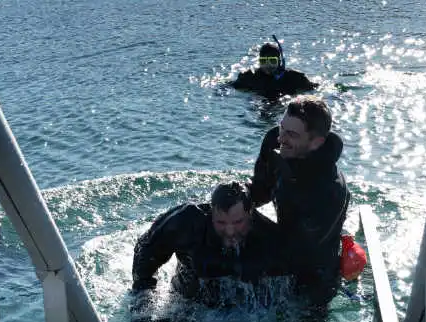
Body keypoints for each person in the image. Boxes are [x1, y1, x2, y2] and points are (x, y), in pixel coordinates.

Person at [249, 95, 351, 307]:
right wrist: (239, 198)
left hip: (315, 272)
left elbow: (299, 252)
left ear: (316, 142)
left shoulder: (329, 189)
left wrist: (291, 181)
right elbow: (260, 191)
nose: (281, 138)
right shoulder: (276, 143)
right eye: (282, 128)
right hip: (286, 243)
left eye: (292, 134)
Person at [131, 181, 283, 306]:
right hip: (185, 301)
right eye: (221, 222)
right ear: (211, 214)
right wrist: (143, 296)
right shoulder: (186, 223)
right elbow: (146, 250)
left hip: (240, 312)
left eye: (238, 222)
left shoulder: (267, 236)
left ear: (250, 216)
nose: (230, 231)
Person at [231, 36, 319, 100]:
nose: (268, 65)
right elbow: (229, 86)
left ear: (279, 62)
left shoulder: (294, 77)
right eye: (264, 61)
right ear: (259, 62)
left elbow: (315, 88)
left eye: (272, 61)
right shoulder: (250, 77)